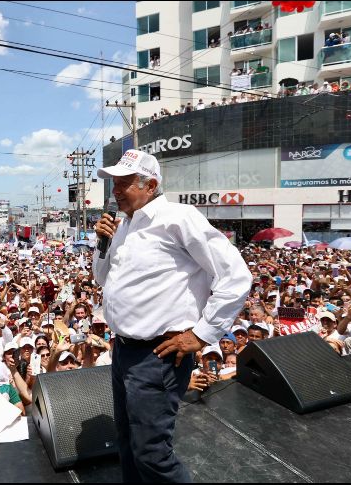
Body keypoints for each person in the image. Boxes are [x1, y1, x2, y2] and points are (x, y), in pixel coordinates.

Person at [93, 149, 252, 482]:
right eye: (113, 184)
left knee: (152, 452)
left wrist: (201, 334)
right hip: (124, 351)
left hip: (157, 355)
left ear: (150, 185)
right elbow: (103, 279)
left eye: (124, 183)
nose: (115, 191)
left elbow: (235, 275)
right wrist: (101, 243)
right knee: (128, 443)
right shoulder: (122, 227)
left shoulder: (179, 218)